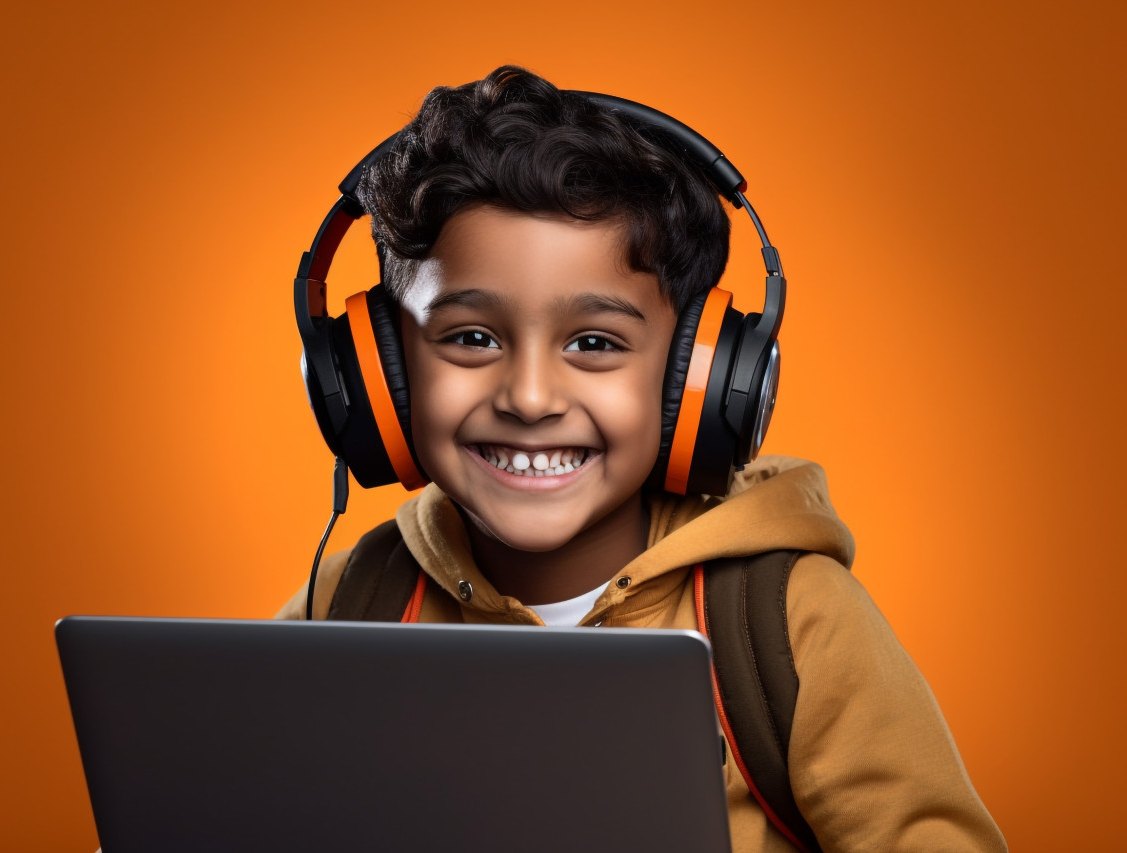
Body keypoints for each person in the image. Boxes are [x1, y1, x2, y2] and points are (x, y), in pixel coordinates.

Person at [277, 65, 1006, 852]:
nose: (529, 397)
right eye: (471, 338)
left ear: (701, 378)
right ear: (373, 376)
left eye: (594, 343)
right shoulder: (351, 601)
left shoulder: (789, 621)